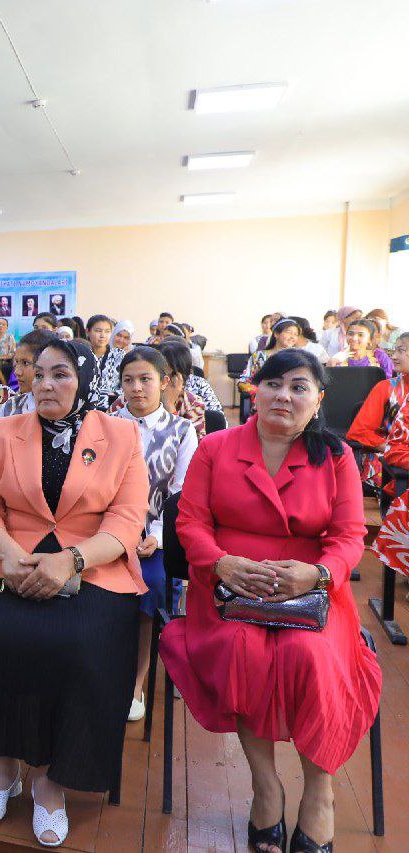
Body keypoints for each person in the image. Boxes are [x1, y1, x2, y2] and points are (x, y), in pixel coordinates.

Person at [160, 349, 380, 853]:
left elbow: (349, 535)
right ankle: (266, 786)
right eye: (273, 384)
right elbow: (190, 521)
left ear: (318, 399)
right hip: (229, 587)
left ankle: (320, 792)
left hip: (312, 588)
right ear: (253, 390)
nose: (284, 395)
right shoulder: (215, 447)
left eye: (299, 386)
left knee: (311, 657)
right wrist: (220, 563)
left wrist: (319, 574)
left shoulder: (337, 456)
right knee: (242, 651)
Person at [0, 338, 147, 846]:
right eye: (38, 374)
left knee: (81, 645)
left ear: (85, 380)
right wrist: (7, 553)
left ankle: (51, 782)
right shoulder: (2, 430)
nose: (47, 384)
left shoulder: (120, 435)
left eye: (62, 374)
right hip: (10, 554)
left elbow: (125, 518)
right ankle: (1, 767)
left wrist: (72, 559)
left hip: (91, 561)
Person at [110, 348, 196, 722]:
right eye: (128, 380)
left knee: (151, 582)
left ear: (164, 382)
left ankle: (135, 682)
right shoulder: (104, 425)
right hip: (107, 532)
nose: (137, 388)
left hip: (154, 538)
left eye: (145, 379)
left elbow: (181, 494)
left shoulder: (182, 430)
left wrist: (157, 536)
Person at [357, 333, 409, 553]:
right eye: (394, 350)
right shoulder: (386, 388)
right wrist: (390, 448)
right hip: (390, 459)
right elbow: (359, 432)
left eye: (402, 350)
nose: (394, 356)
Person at [0, 329, 58, 418]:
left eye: (26, 363)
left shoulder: (67, 410)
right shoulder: (9, 408)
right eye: (17, 362)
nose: (17, 372)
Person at [238, 319, 301, 396]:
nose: (292, 337)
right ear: (276, 334)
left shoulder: (299, 359)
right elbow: (244, 381)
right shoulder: (258, 356)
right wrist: (262, 393)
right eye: (289, 332)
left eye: (296, 334)